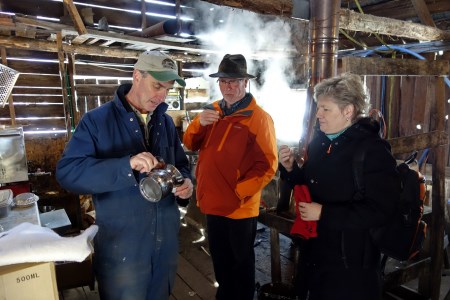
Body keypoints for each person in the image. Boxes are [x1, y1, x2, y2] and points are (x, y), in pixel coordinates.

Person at [56, 50, 194, 300]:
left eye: (168, 89)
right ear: (137, 76)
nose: (162, 95)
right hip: (122, 249)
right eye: (157, 85)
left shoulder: (163, 122)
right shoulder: (97, 121)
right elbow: (67, 172)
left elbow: (182, 166)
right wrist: (125, 165)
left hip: (165, 247)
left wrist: (185, 184)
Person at [278, 73, 401, 300]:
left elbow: (381, 210)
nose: (318, 114)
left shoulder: (372, 151)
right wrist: (290, 169)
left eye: (326, 109)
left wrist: (324, 213)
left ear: (348, 111)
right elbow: (309, 182)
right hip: (316, 253)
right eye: (318, 108)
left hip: (351, 266)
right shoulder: (321, 142)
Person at [183, 54, 278, 300]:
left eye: (234, 81)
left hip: (239, 207)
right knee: (221, 263)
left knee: (241, 265)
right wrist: (198, 122)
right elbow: (190, 143)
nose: (229, 87)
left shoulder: (258, 118)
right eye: (224, 81)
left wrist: (239, 191)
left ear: (245, 83)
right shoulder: (212, 111)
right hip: (213, 202)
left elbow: (267, 164)